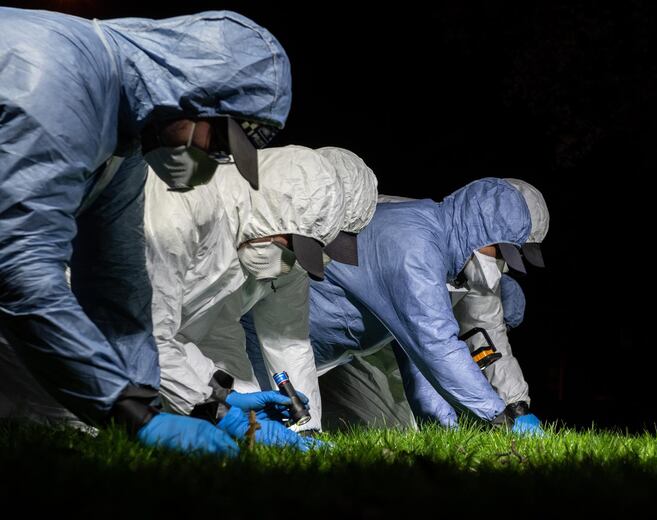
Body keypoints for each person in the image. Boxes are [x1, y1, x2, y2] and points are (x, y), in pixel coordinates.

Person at [0, 7, 291, 456]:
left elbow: (119, 285)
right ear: (192, 93)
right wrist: (128, 413)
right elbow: (19, 270)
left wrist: (182, 406)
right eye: (216, 142)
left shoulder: (123, 134)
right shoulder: (55, 84)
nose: (210, 161)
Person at [307, 178, 549, 433]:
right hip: (304, 333)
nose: (504, 265)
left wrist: (517, 404)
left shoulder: (458, 251)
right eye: (502, 252)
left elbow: (486, 331)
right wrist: (499, 417)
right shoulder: (415, 249)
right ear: (482, 227)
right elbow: (434, 346)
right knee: (370, 423)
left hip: (345, 342)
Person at [147, 146, 343, 449]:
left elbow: (188, 333)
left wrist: (226, 393)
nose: (285, 262)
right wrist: (223, 412)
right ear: (270, 208)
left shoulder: (230, 239)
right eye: (287, 244)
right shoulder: (175, 215)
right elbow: (145, 335)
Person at [242, 146, 379, 433]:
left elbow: (288, 340)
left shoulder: (291, 264)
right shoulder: (223, 221)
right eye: (322, 232)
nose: (325, 250)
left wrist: (307, 425)